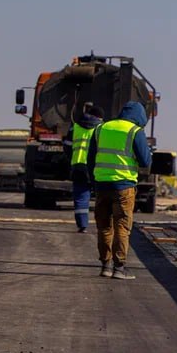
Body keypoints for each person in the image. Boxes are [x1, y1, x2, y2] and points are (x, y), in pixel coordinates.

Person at [87, 101, 152, 280]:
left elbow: (90, 158)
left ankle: (105, 266)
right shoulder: (135, 131)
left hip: (102, 185)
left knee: (104, 226)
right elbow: (145, 162)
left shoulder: (101, 129)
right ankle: (119, 268)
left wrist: (94, 182)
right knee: (122, 226)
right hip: (124, 186)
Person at [66, 103, 104, 233]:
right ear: (99, 117)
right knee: (102, 196)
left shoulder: (75, 127)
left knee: (81, 196)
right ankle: (104, 225)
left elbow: (67, 146)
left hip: (78, 166)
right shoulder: (101, 128)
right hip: (96, 167)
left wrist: (72, 158)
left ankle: (82, 225)